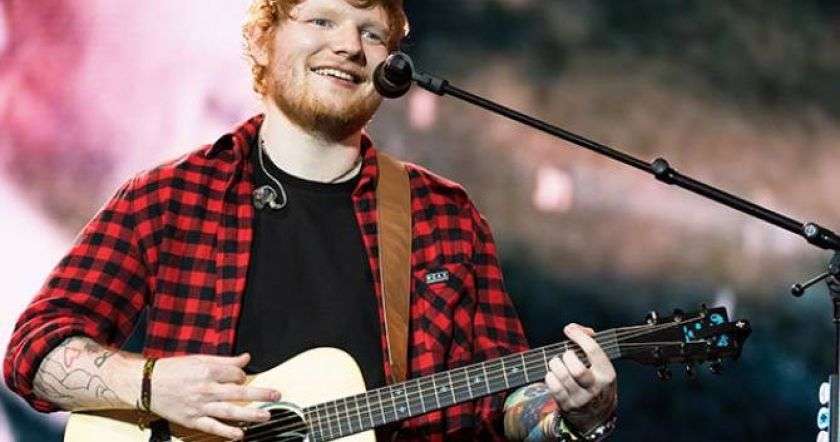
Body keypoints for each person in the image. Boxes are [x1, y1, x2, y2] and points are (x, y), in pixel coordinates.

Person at [3, 0, 618, 440]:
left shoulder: (444, 215)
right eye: (322, 20)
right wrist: (151, 385)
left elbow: (504, 404)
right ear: (264, 42)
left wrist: (572, 414)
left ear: (391, 70)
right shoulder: (168, 197)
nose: (349, 46)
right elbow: (35, 352)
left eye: (372, 32)